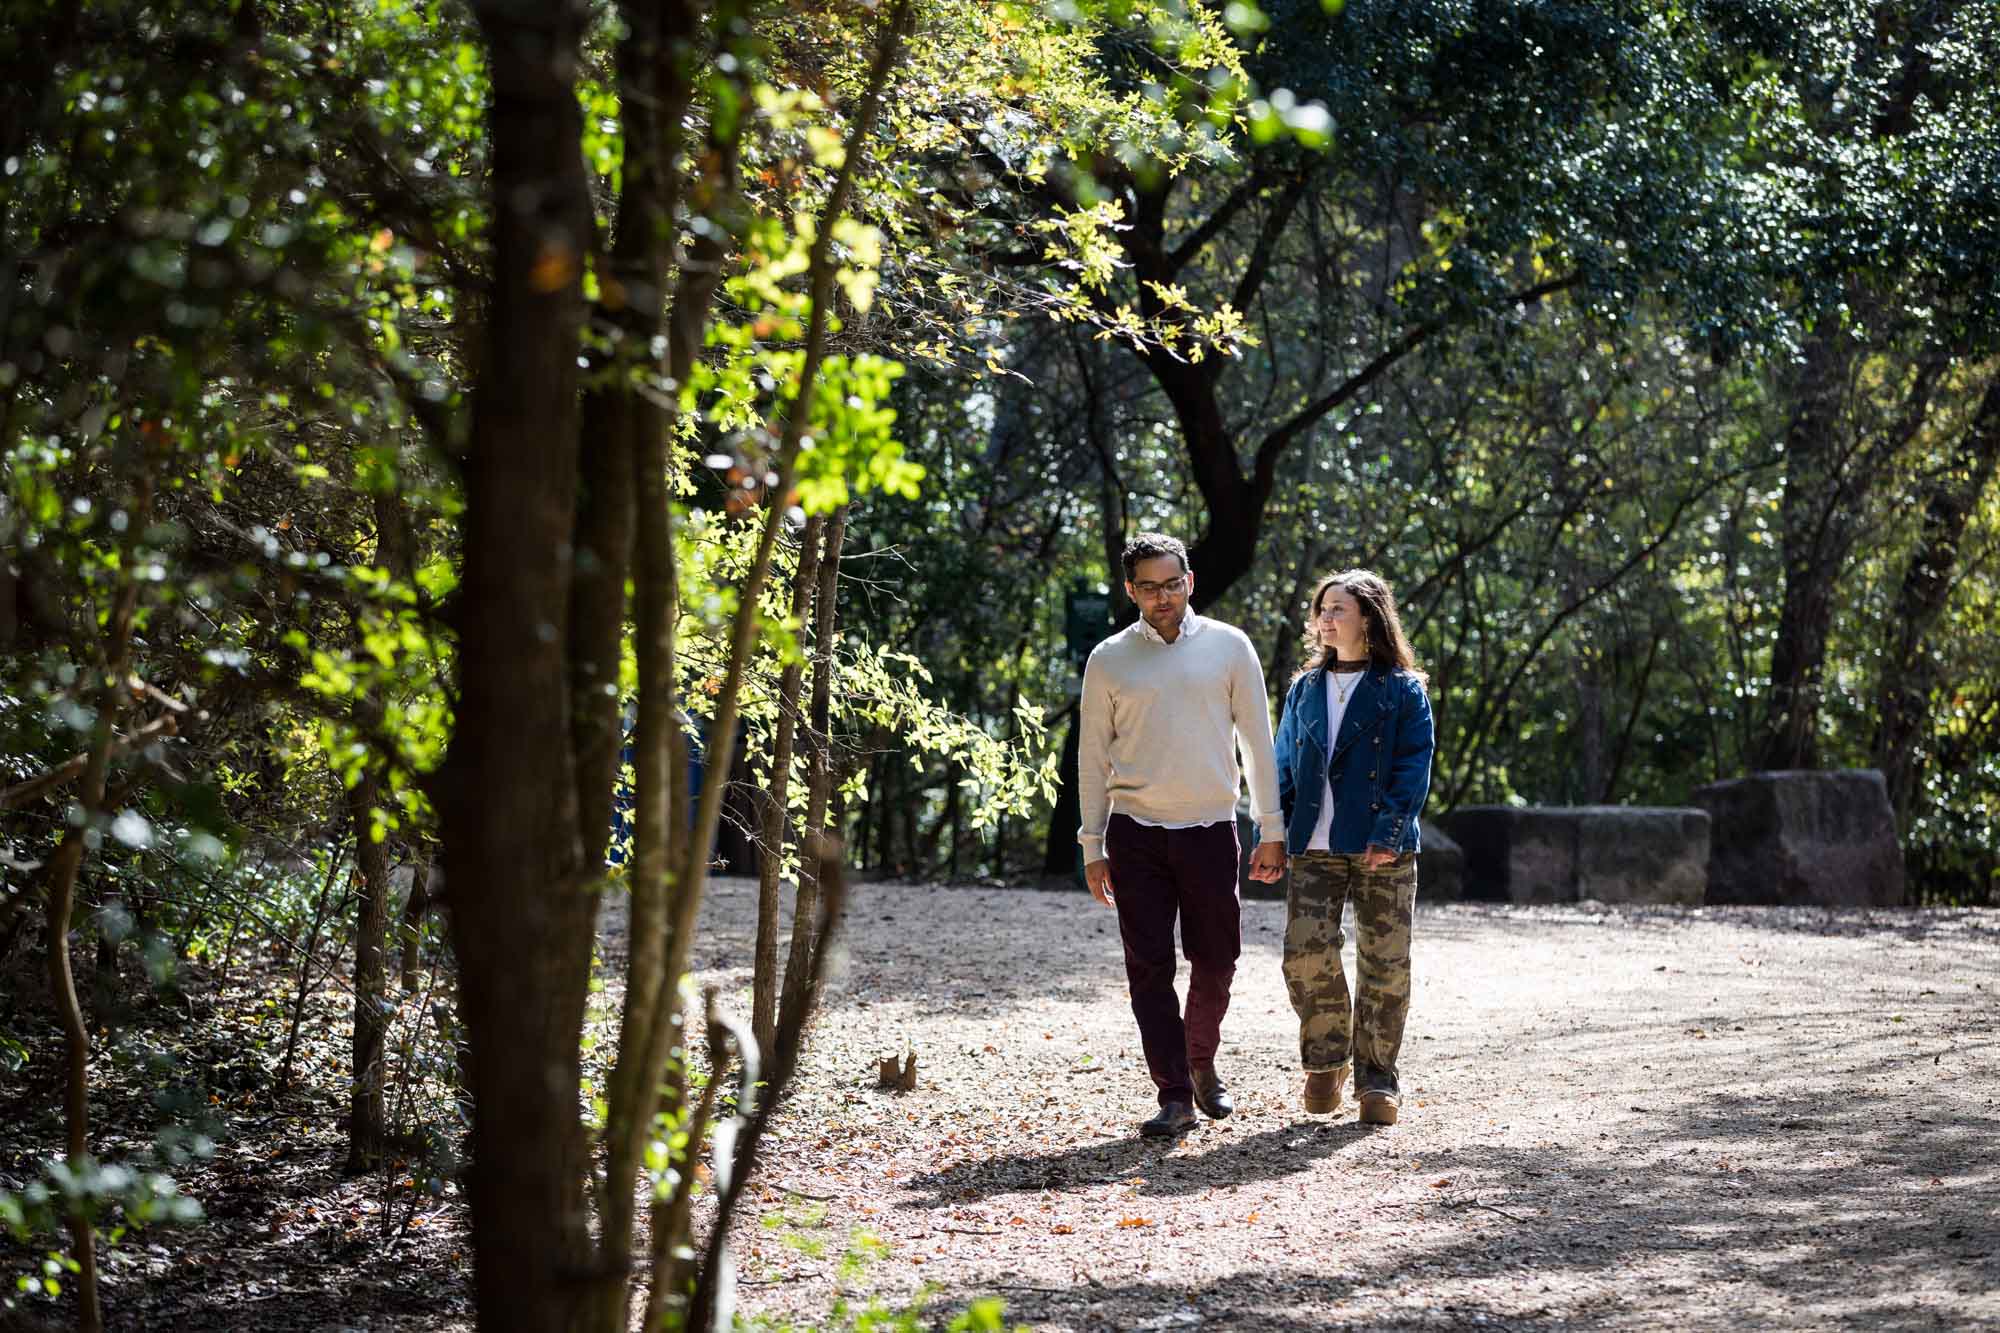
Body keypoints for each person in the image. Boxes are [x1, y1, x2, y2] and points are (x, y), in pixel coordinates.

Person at [1078, 532, 1288, 1138]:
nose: (1163, 596)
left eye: (1173, 583)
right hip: (1136, 834)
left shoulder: (1229, 646)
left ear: (1189, 582)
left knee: (1218, 959)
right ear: (1130, 590)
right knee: (1147, 967)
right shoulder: (1110, 658)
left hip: (1210, 830)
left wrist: (1269, 829)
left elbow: (1257, 744)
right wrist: (1093, 846)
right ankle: (1173, 1093)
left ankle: (1200, 1060)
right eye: (1149, 587)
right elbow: (1092, 758)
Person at [1272, 569, 1434, 1126]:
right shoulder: (1305, 688)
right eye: (1321, 609)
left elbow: (1415, 765)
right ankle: (1325, 1063)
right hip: (1311, 843)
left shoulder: (1403, 689)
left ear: (1369, 616)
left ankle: (1377, 1078)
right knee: (1305, 953)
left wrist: (1388, 833)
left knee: (1386, 963)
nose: (1325, 619)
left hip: (1381, 846)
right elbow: (1282, 766)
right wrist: (1272, 833)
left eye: (1337, 609)